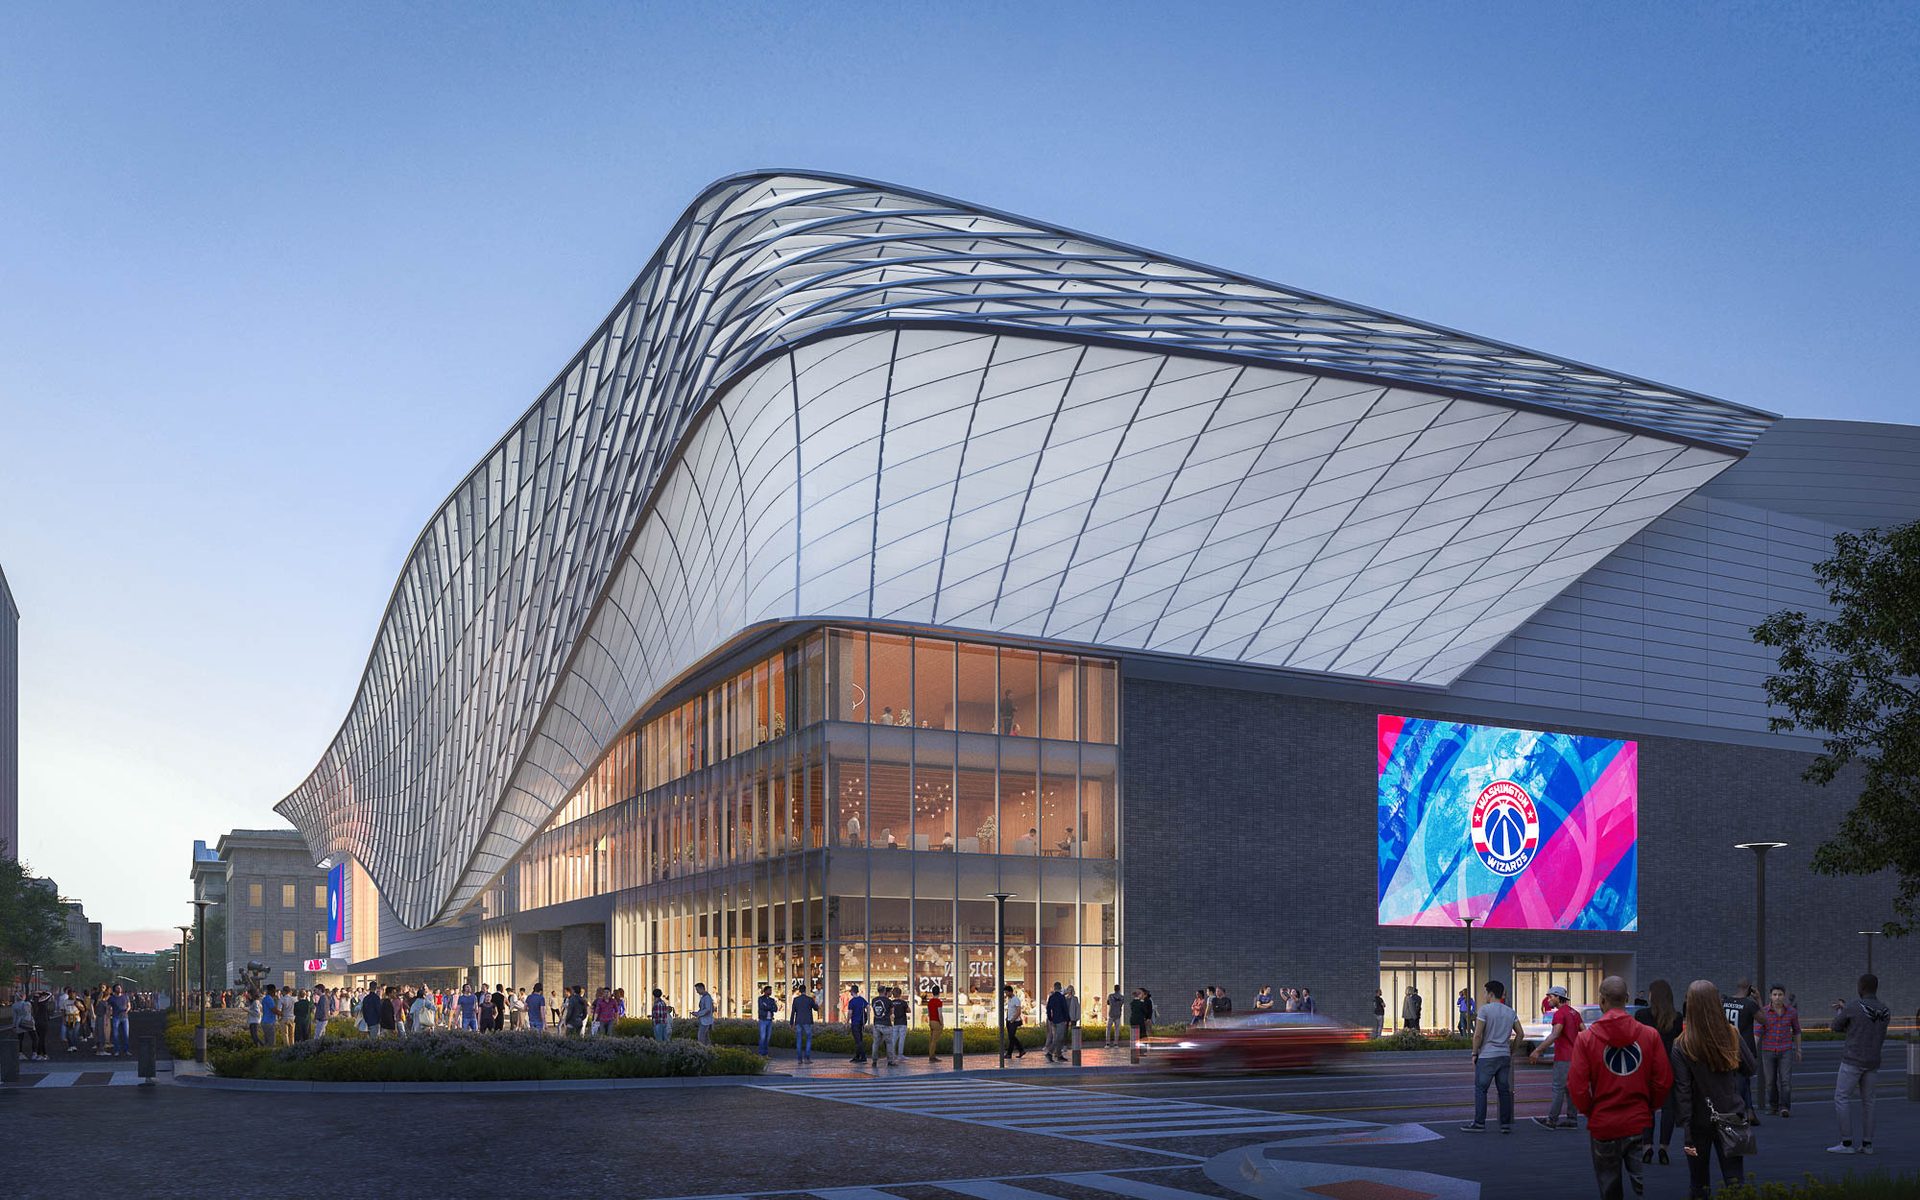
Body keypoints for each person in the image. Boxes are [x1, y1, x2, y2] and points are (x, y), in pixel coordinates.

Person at [1568, 975, 1672, 1200]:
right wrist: (1648, 1107)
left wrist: (1591, 1111)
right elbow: (1663, 1080)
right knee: (1644, 1186)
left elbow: (1576, 1087)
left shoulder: (1586, 1039)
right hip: (1638, 1122)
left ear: (1601, 1001)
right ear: (1626, 998)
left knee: (1609, 1187)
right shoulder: (1649, 1035)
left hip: (1604, 1123)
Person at [1672, 979, 1754, 1196]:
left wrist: (1685, 1127)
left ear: (1690, 1005)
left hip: (1698, 1121)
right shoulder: (1731, 1034)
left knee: (1698, 1183)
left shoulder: (1682, 1044)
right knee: (1736, 1181)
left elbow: (1683, 1091)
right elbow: (1751, 1068)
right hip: (1733, 1114)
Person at [1827, 971, 1891, 1156]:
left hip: (1852, 1060)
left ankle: (1846, 1143)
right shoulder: (1885, 1010)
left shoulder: (1855, 1007)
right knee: (1869, 1103)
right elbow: (1867, 1024)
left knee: (1841, 1098)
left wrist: (1841, 1010)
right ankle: (1868, 1144)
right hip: (1873, 1061)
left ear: (1861, 987)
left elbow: (1836, 1026)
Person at [1461, 979, 1519, 1134]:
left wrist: (1474, 1053)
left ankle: (1479, 1123)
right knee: (1503, 1091)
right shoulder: (1510, 1012)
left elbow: (1478, 1035)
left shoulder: (1484, 1010)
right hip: (1504, 1055)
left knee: (1481, 1089)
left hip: (1487, 1055)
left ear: (1491, 993)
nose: (1484, 995)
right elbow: (1520, 1033)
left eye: (1485, 992)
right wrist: (1512, 1050)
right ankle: (1505, 1125)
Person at [1635, 978, 1684, 1164]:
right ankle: (1664, 1147)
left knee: (1647, 1108)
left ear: (1652, 996)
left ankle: (1647, 1146)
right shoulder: (1677, 1017)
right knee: (1668, 1108)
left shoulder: (1641, 1015)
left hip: (1647, 1067)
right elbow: (1678, 1044)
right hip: (1668, 1066)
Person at [1529, 985, 1584, 1129]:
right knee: (1570, 1089)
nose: (1548, 1000)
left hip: (1563, 1057)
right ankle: (1572, 1119)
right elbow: (1585, 1032)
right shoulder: (1574, 1013)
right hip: (1575, 1057)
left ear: (1559, 998)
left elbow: (1555, 1034)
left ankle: (1551, 1121)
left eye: (1551, 996)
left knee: (1558, 1088)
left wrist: (1538, 1050)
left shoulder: (1560, 1014)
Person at [1754, 984, 1801, 1118]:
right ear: (1770, 996)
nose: (1777, 997)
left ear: (1784, 996)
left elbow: (1797, 1031)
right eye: (1775, 994)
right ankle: (1773, 1106)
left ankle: (1784, 1107)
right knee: (1770, 1081)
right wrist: (1751, 1050)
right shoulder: (1763, 1012)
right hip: (1768, 1050)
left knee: (1785, 1081)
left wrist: (1798, 1049)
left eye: (1780, 995)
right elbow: (1757, 1032)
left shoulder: (1791, 1012)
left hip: (1785, 1050)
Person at [1722, 980, 1762, 1121]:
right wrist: (1758, 999)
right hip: (1745, 1047)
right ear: (1749, 988)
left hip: (1728, 1046)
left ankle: (1750, 1110)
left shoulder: (1725, 1002)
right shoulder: (1749, 1004)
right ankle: (1740, 1111)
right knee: (1742, 1080)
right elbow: (1763, 1020)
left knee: (1741, 1080)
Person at [790, 985, 818, 1064]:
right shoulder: (809, 999)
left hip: (798, 1021)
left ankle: (799, 1059)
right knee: (808, 1039)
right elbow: (816, 1008)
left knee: (799, 1040)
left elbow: (793, 1012)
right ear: (806, 990)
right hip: (807, 1021)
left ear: (799, 990)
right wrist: (815, 1003)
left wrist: (791, 1023)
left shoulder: (796, 1000)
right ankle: (807, 1058)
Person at [1044, 981, 1071, 1063]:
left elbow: (1048, 1008)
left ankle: (1059, 1055)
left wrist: (1050, 1018)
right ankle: (1050, 1053)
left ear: (1054, 988)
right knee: (1059, 1038)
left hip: (1054, 1020)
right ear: (1060, 988)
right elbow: (1065, 1009)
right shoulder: (1061, 997)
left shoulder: (1051, 997)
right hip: (1061, 1020)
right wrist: (1067, 1019)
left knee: (1057, 1037)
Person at [846, 983, 870, 1063]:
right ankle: (857, 1056)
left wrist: (847, 1021)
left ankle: (863, 1057)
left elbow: (850, 1013)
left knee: (858, 1040)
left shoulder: (852, 1001)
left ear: (852, 992)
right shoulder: (862, 1000)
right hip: (861, 1023)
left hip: (855, 1023)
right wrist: (867, 1017)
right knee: (859, 1039)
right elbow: (868, 1007)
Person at [870, 982, 893, 1065]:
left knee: (875, 1043)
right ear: (884, 991)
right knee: (889, 1043)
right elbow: (891, 1012)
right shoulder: (888, 1001)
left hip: (876, 1023)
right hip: (886, 1024)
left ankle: (874, 1060)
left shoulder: (874, 1000)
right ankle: (890, 1061)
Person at [1003, 983, 1026, 1059]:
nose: (1005, 994)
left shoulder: (1016, 1000)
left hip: (1014, 1021)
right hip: (1009, 1020)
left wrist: (1012, 1020)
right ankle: (1021, 1050)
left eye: (1006, 992)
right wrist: (1007, 1018)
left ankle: (1010, 1053)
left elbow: (1018, 1011)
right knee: (1011, 1038)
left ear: (1010, 992)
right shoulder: (1009, 1000)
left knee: (1012, 1037)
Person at [889, 986, 910, 1062]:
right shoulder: (903, 1002)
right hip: (903, 1022)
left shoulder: (891, 1002)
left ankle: (892, 1054)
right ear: (900, 994)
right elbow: (909, 1010)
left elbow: (890, 1012)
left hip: (896, 1022)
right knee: (901, 1039)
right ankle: (900, 1055)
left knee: (894, 1039)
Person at [925, 984, 945, 1062]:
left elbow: (929, 1013)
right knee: (934, 1040)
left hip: (931, 1021)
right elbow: (939, 1013)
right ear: (939, 993)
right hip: (937, 1022)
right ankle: (932, 1056)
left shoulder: (930, 1002)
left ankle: (931, 1055)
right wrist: (942, 1023)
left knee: (932, 1039)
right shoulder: (939, 1002)